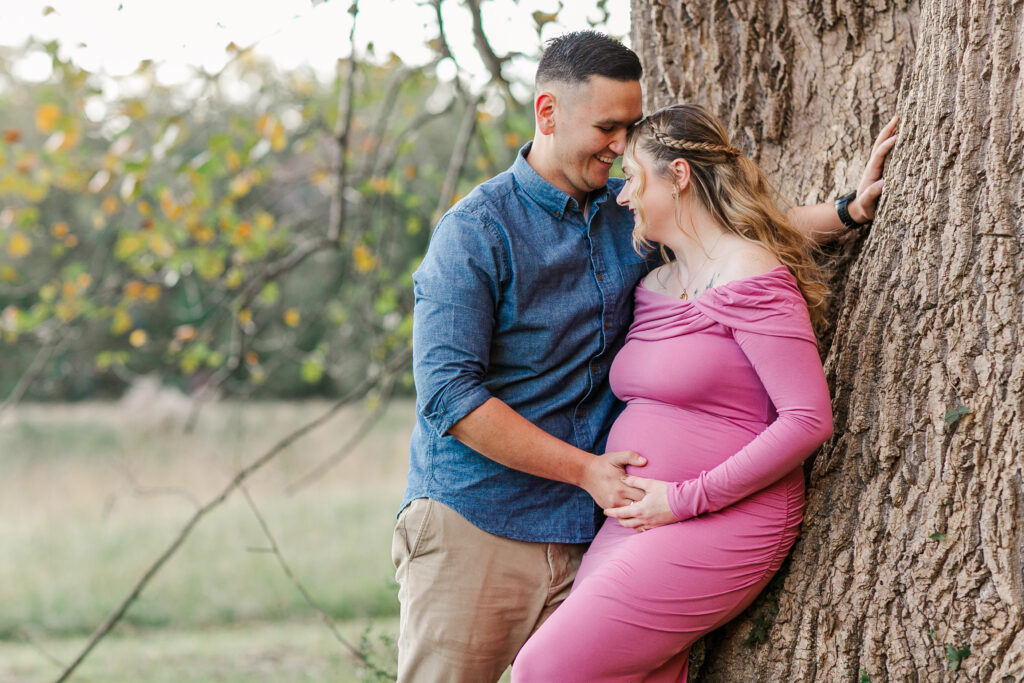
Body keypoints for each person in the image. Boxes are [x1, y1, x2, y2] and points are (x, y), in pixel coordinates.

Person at [395, 31, 896, 682]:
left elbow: (727, 239)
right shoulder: (476, 231)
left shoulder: (624, 213)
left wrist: (845, 211)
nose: (621, 147)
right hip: (480, 520)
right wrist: (587, 471)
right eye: (607, 126)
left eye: (630, 128)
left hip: (589, 525)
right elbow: (449, 398)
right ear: (547, 113)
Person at [512, 103, 834, 681]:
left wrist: (684, 498)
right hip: (639, 519)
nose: (621, 197)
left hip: (725, 515)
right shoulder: (656, 281)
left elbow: (807, 420)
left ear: (679, 176)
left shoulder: (750, 272)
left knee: (545, 668)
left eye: (632, 179)